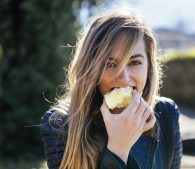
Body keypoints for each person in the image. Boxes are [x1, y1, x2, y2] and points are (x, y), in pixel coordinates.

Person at [40, 9, 182, 169]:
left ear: (149, 67)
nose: (124, 78)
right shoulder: (60, 124)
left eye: (134, 62)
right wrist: (118, 149)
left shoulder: (167, 114)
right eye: (109, 64)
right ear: (89, 69)